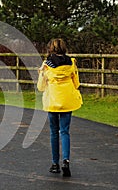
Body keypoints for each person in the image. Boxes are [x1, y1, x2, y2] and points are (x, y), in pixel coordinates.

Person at [37, 38, 82, 177]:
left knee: (53, 133)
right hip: (67, 100)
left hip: (52, 101)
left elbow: (41, 87)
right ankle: (66, 161)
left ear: (51, 49)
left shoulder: (46, 65)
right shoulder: (71, 62)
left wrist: (41, 74)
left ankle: (55, 164)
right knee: (65, 132)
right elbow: (77, 84)